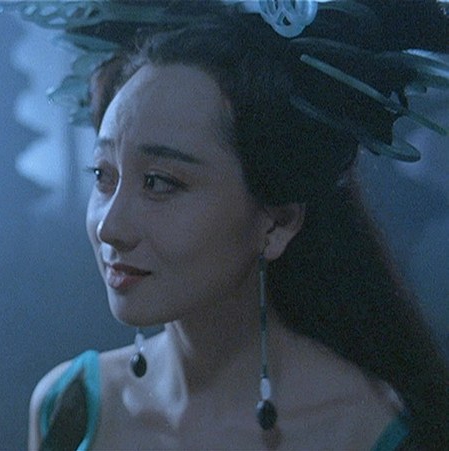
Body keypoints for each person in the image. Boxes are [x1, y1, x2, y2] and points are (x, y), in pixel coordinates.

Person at [25, 1, 449, 449]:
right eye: (103, 175)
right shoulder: (71, 405)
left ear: (277, 223)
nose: (109, 227)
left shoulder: (366, 429)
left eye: (159, 182)